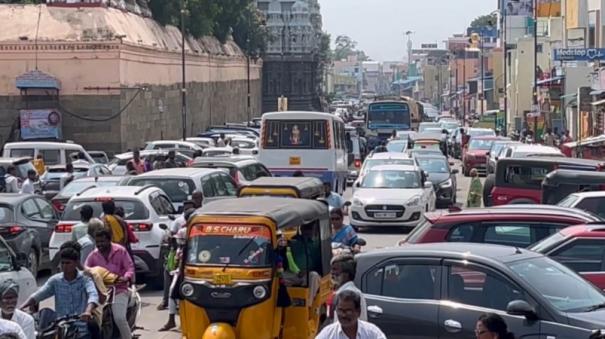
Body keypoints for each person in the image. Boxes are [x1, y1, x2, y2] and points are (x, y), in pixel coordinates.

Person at [21, 245, 99, 339]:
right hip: (62, 327)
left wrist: (88, 311)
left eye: (68, 263)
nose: (64, 266)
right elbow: (38, 295)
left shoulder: (85, 279)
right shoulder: (55, 280)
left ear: (75, 263)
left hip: (82, 327)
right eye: (62, 263)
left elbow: (93, 295)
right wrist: (21, 308)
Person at [85, 228, 135, 339]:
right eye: (97, 242)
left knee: (119, 318)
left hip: (119, 289)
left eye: (102, 241)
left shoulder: (120, 251)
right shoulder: (93, 255)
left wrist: (126, 278)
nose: (99, 244)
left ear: (109, 240)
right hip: (100, 291)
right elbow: (86, 270)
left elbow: (130, 268)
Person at [316, 290, 386, 339]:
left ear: (358, 312)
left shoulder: (372, 332)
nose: (343, 315)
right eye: (340, 310)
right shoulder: (328, 334)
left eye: (348, 311)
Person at [159, 227, 187, 331]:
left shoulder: (189, 248)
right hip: (178, 274)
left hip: (186, 275)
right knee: (172, 294)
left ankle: (178, 321)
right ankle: (172, 320)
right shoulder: (179, 248)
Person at [287, 224, 322, 305]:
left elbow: (318, 264)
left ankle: (307, 304)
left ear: (314, 230)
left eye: (310, 229)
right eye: (305, 228)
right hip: (292, 274)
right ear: (301, 228)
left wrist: (306, 271)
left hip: (307, 274)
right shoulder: (293, 242)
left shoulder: (316, 244)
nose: (307, 231)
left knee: (314, 276)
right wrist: (297, 271)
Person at [330, 254, 367, 323]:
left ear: (346, 274)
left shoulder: (350, 294)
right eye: (332, 269)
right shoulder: (341, 292)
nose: (332, 273)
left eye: (335, 269)